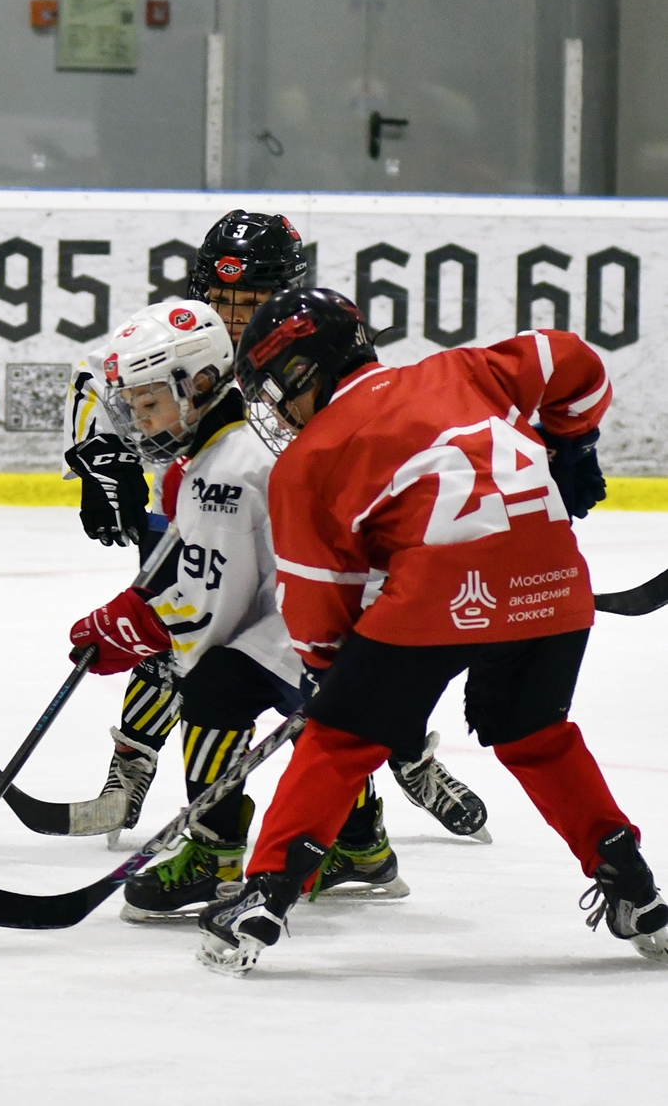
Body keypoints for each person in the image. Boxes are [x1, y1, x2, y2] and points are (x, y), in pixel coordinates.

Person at [198, 288, 666, 974]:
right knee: (535, 733)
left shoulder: (310, 459)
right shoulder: (469, 371)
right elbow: (573, 359)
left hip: (442, 596)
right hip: (558, 585)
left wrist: (332, 677)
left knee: (341, 740)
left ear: (304, 372)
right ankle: (632, 884)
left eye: (276, 391)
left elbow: (320, 607)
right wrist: (573, 440)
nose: (275, 410)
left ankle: (264, 895)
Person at [65, 210, 487, 847]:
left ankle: (404, 764)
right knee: (175, 638)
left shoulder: (309, 351)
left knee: (333, 667)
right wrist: (101, 463)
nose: (234, 318)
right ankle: (128, 774)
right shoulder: (181, 338)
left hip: (296, 534)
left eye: (252, 301)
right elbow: (99, 377)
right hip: (197, 511)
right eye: (222, 299)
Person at [65, 298, 404, 919]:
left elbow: (211, 608)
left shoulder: (228, 469)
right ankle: (360, 845)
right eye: (134, 406)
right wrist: (134, 606)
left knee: (212, 686)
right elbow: (194, 564)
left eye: (148, 403)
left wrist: (137, 628)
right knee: (262, 700)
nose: (140, 423)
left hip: (324, 629)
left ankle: (214, 857)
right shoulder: (229, 441)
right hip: (315, 615)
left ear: (196, 383)